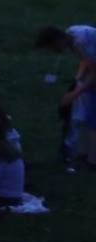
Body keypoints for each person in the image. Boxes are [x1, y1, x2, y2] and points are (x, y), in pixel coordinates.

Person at [35, 23, 96, 166]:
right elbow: (87, 60)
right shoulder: (72, 33)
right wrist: (78, 79)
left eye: (52, 48)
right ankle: (85, 152)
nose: (54, 51)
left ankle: (92, 159)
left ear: (57, 40)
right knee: (86, 111)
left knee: (93, 116)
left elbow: (94, 71)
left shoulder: (81, 41)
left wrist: (74, 94)